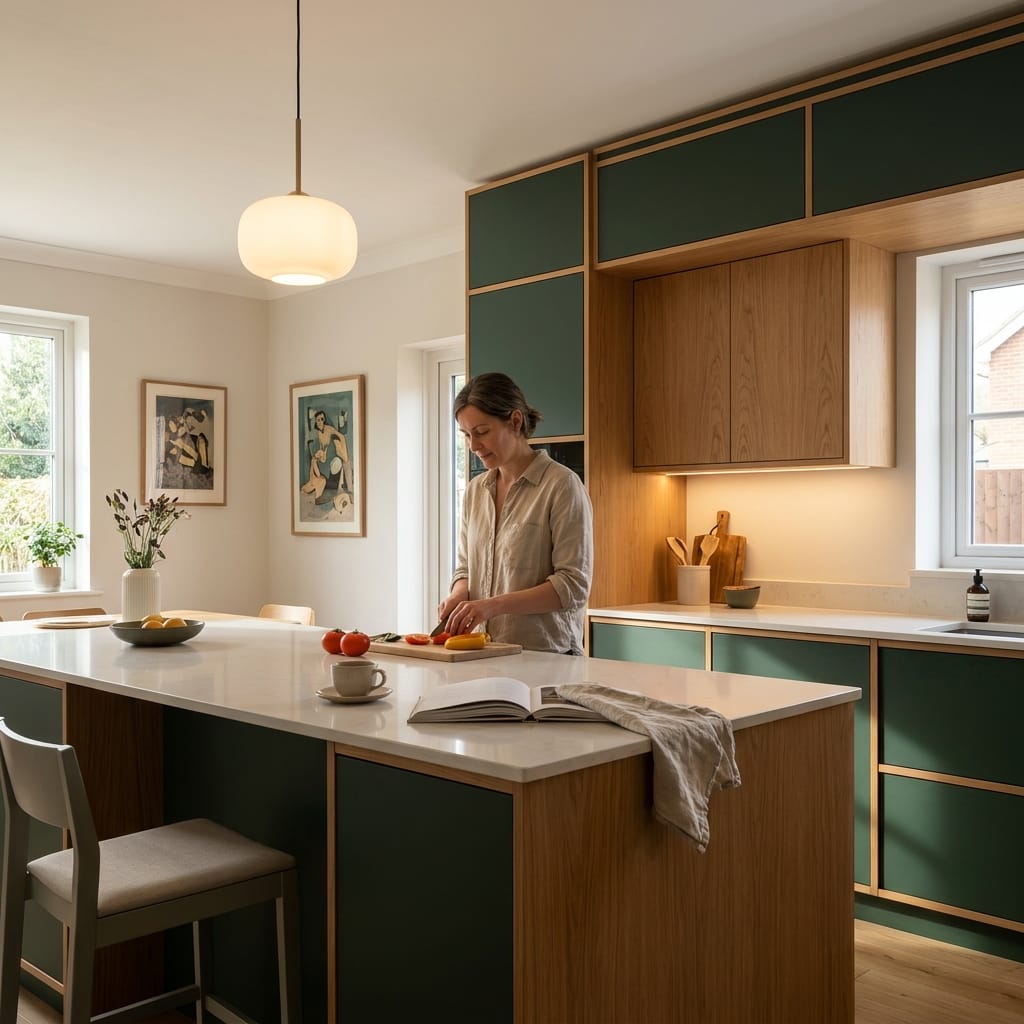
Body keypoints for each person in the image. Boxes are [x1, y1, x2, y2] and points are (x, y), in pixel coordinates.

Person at [437, 372, 593, 654]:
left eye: (482, 432)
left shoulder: (562, 486)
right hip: (484, 655)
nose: (473, 446)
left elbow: (572, 585)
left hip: (548, 658)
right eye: (466, 436)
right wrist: (459, 595)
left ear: (516, 421)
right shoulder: (475, 491)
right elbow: (465, 568)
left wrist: (490, 606)